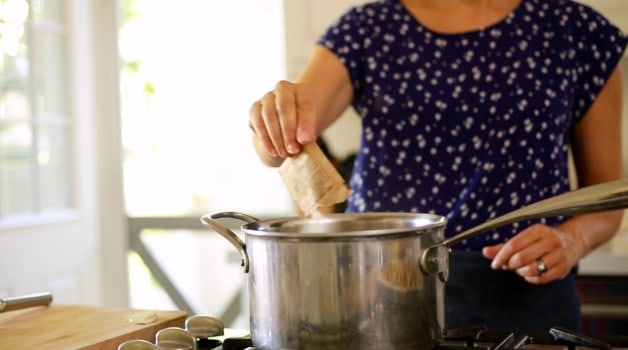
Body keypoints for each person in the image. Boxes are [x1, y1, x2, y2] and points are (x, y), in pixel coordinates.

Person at [248, 0, 627, 332]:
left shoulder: (578, 33)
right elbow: (286, 140)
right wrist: (273, 124)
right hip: (378, 301)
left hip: (527, 302)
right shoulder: (366, 30)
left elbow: (606, 198)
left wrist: (571, 240)